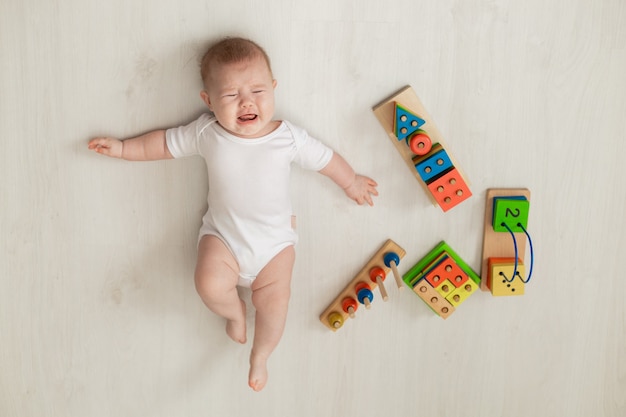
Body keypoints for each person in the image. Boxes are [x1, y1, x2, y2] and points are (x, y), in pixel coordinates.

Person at [88, 37, 378, 391]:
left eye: (257, 90)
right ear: (208, 101)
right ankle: (234, 312)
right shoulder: (206, 132)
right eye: (230, 95)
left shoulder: (288, 137)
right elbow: (161, 144)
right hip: (223, 240)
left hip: (275, 247)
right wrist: (122, 149)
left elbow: (326, 160)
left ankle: (261, 355)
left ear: (273, 89)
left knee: (275, 305)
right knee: (207, 284)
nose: (246, 102)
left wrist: (351, 183)